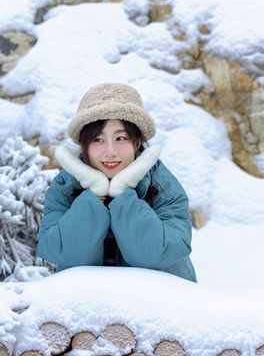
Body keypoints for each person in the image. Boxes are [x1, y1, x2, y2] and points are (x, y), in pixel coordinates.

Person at [37, 83, 197, 282]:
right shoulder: (65, 188)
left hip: (161, 306)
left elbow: (156, 254)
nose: (110, 151)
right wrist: (95, 194)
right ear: (84, 145)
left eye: (121, 138)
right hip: (89, 307)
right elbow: (64, 253)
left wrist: (123, 195)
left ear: (137, 142)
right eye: (97, 139)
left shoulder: (164, 187)